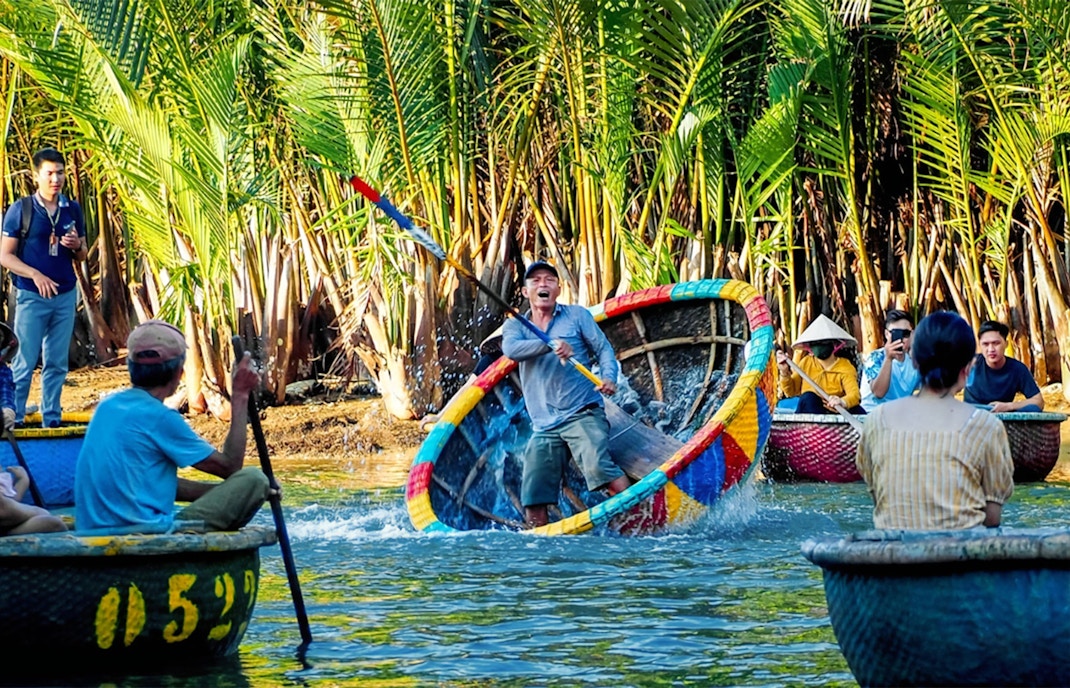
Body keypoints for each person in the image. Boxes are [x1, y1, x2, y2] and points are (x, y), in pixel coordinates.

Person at [74, 320, 271, 533]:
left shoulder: (107, 407)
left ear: (131, 368)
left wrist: (226, 493)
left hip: (92, 530)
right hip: (144, 535)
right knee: (255, 480)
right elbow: (230, 467)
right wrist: (240, 395)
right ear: (179, 372)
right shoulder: (159, 417)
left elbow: (156, 484)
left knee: (247, 487)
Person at [856, 311, 1014, 530]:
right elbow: (992, 517)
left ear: (917, 363)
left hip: (894, 558)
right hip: (959, 557)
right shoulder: (987, 426)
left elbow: (878, 498)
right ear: (967, 368)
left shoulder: (875, 422)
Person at [500, 261, 627, 527]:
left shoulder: (577, 316)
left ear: (559, 288)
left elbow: (604, 350)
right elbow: (512, 350)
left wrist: (608, 378)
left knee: (598, 467)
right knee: (533, 498)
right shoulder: (516, 326)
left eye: (549, 280)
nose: (542, 284)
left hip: (582, 412)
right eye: (535, 281)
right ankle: (543, 551)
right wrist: (549, 344)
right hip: (544, 426)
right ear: (525, 292)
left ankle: (641, 519)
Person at [0, 148, 89, 429]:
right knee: (25, 361)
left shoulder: (71, 209)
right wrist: (34, 274)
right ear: (36, 175)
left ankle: (52, 419)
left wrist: (77, 247)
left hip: (64, 295)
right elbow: (5, 255)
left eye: (60, 172)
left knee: (57, 362)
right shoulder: (22, 209)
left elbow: (83, 253)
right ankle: (16, 417)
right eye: (49, 173)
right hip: (31, 295)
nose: (56, 179)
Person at [776, 314, 863, 414]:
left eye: (824, 342)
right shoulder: (806, 362)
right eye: (815, 343)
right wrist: (784, 371)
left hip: (835, 412)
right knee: (809, 397)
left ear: (835, 344)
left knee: (858, 410)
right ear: (810, 347)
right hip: (811, 412)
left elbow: (854, 395)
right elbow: (790, 392)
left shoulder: (845, 366)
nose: (819, 346)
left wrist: (842, 402)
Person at [963, 320, 1044, 413]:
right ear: (980, 345)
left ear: (1006, 344)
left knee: (1033, 409)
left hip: (1002, 416)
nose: (991, 349)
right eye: (985, 344)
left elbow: (1039, 402)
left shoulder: (1017, 369)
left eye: (996, 343)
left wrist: (1009, 406)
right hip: (972, 416)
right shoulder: (969, 364)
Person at [859, 309, 921, 412]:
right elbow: (878, 393)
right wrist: (888, 359)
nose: (901, 339)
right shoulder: (875, 357)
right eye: (896, 333)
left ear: (912, 334)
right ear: (887, 334)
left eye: (905, 334)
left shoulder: (915, 362)